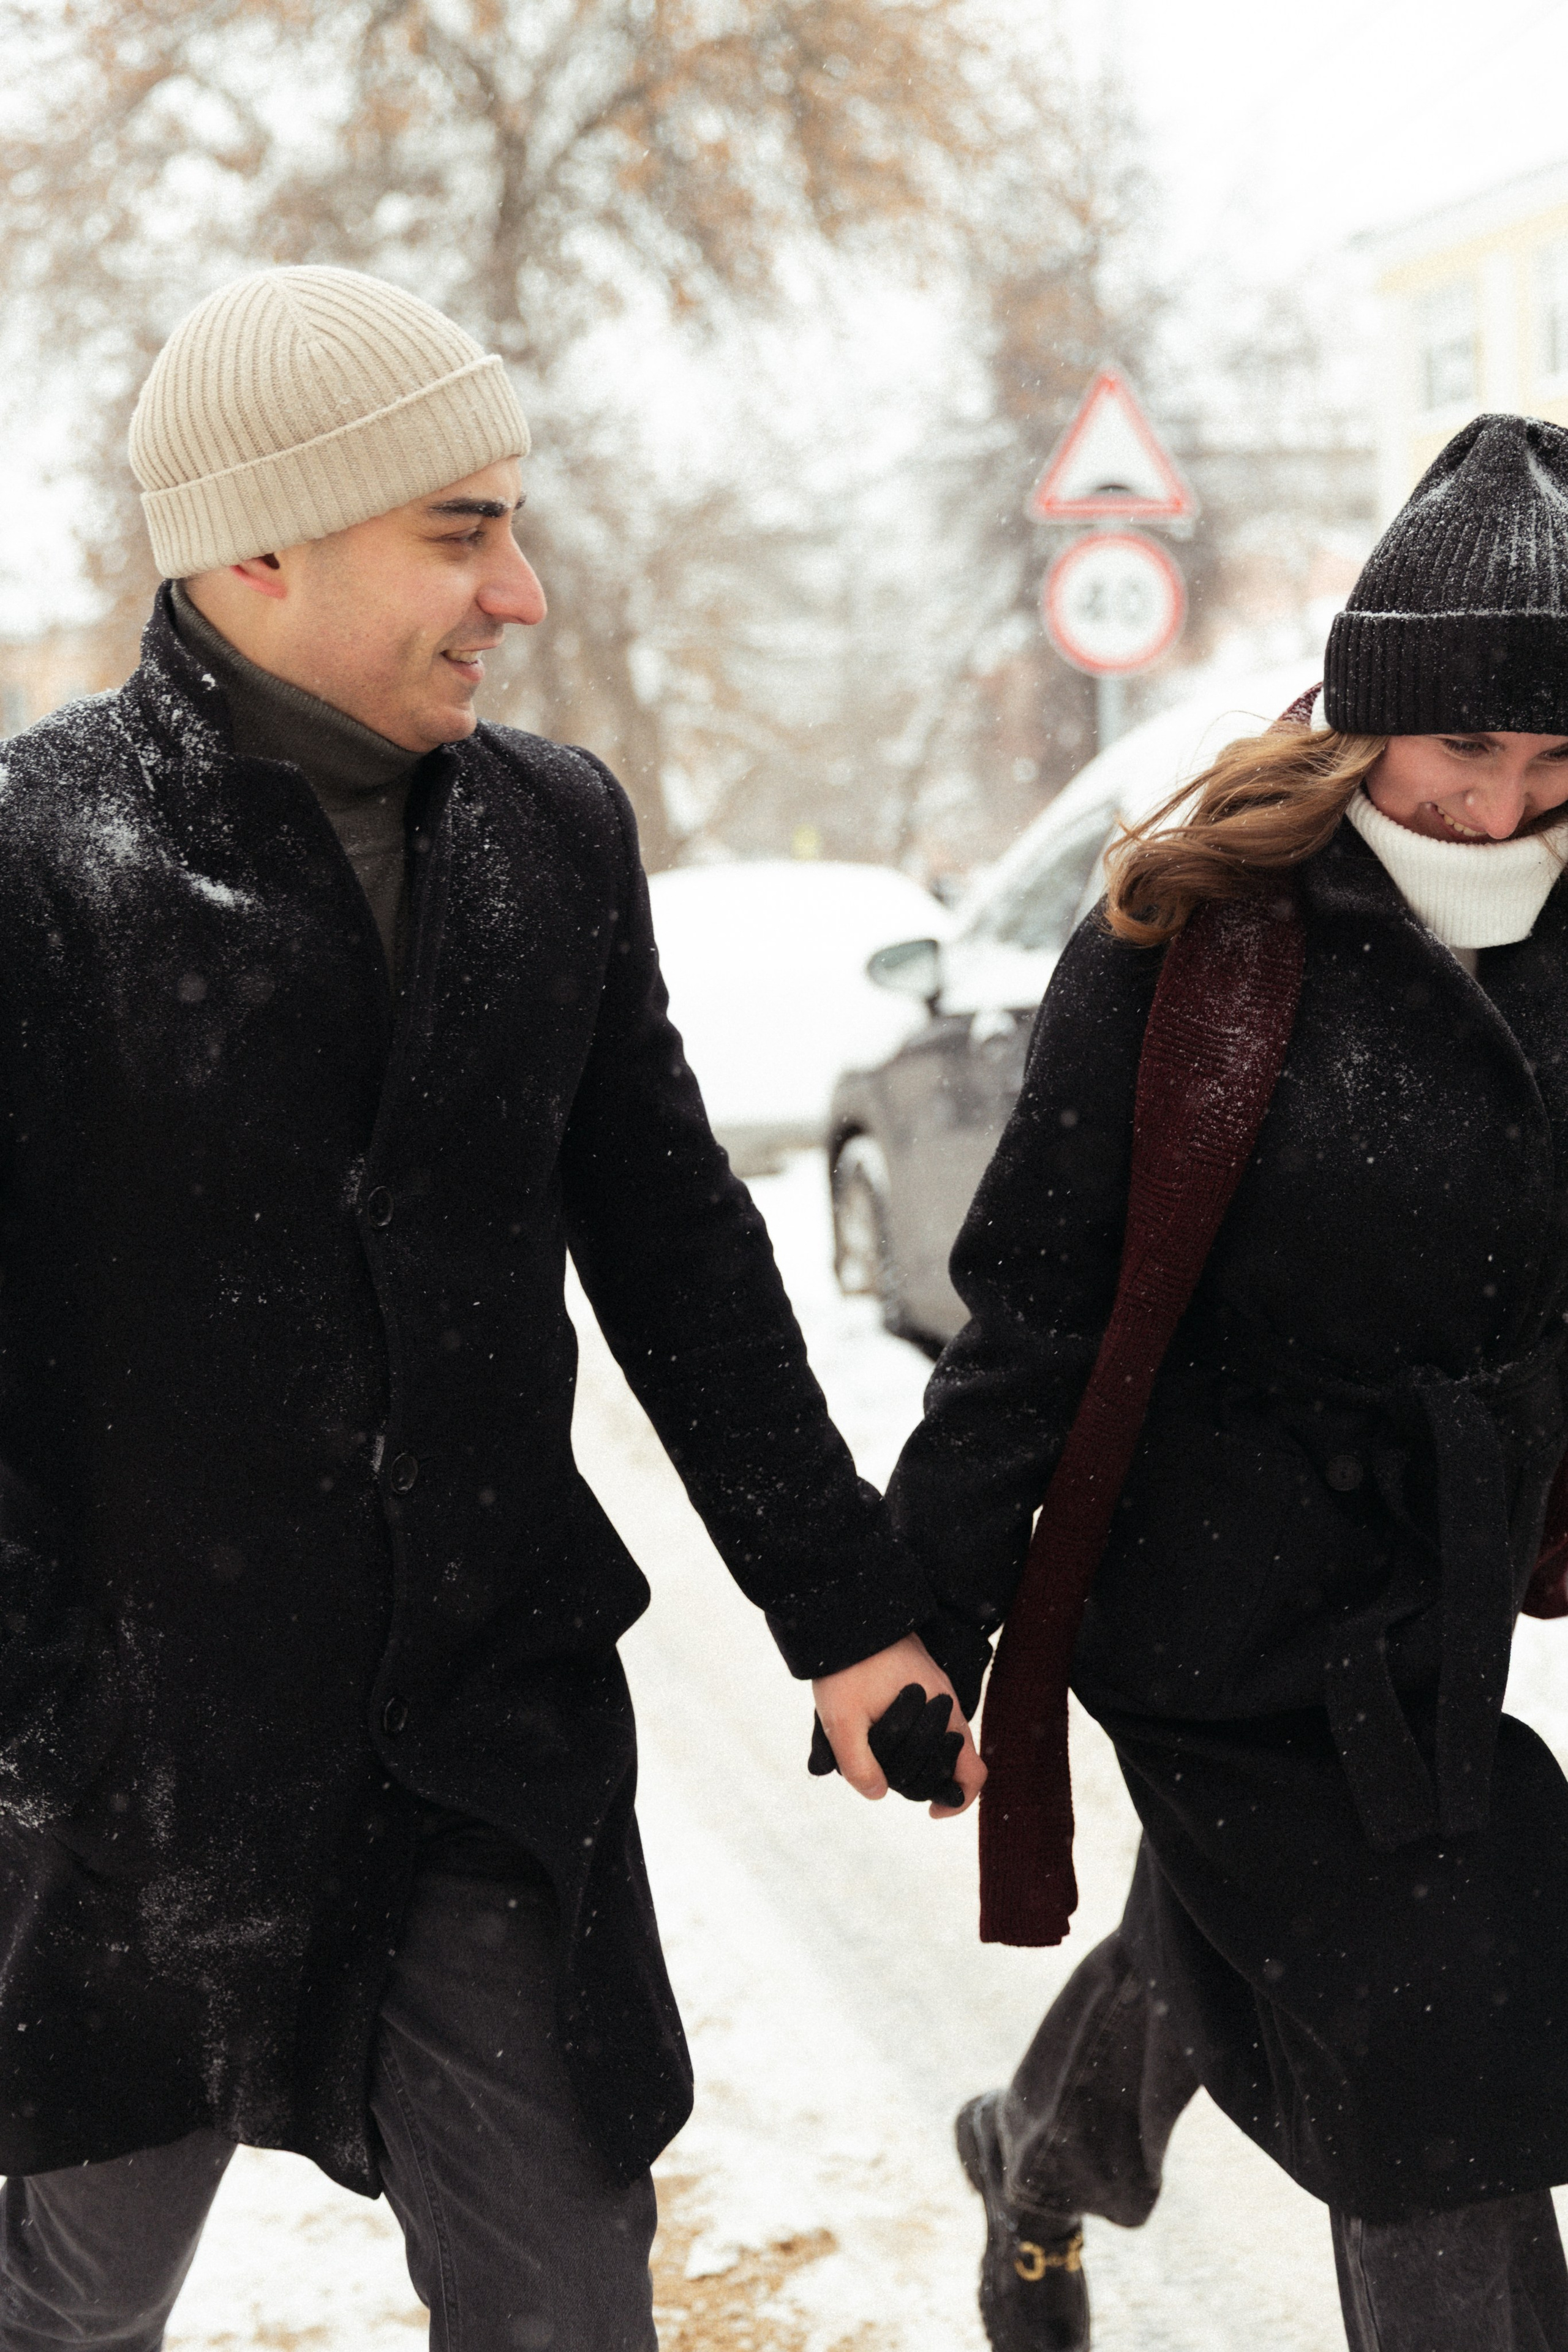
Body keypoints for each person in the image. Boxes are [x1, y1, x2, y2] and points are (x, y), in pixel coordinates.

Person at [0, 265, 985, 2351]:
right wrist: (45, 1722)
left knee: (562, 2303)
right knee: (66, 2303)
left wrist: (847, 1611)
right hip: (144, 1783)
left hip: (485, 1745)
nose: (520, 592)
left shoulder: (554, 836)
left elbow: (678, 1245)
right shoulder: (40, 866)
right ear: (259, 545)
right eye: (462, 532)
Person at [887, 410, 1568, 2352]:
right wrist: (921, 1609)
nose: (1501, 808)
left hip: (1431, 1596)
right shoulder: (1204, 938)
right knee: (1441, 2054)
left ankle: (1031, 2151)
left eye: (1549, 760)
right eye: (1462, 753)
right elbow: (1033, 1304)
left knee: (1247, 1939)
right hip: (1211, 1598)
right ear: (1365, 723)